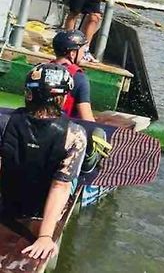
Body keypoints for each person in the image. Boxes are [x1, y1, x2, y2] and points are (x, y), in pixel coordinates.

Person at [0, 63, 87, 260]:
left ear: (29, 94)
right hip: (42, 205)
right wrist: (46, 236)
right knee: (72, 176)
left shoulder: (4, 122)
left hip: (10, 199)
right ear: (63, 98)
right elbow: (60, 186)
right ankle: (91, 158)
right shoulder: (75, 135)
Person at [52, 29, 95, 121]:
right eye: (83, 51)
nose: (83, 55)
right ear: (72, 54)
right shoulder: (79, 78)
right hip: (63, 129)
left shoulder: (38, 69)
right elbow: (88, 120)